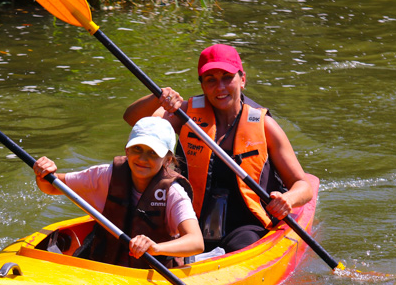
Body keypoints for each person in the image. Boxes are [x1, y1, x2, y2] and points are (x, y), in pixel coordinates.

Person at [123, 43, 313, 253]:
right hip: (189, 222)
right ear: (202, 85)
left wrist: (288, 199)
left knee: (242, 245)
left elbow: (302, 185)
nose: (220, 87)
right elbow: (134, 120)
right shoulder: (185, 115)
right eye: (210, 80)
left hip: (246, 225)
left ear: (242, 79)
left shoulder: (264, 125)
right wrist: (157, 97)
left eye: (227, 77)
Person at [33, 117, 204, 268]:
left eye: (152, 153)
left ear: (167, 160)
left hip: (150, 274)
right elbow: (51, 186)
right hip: (106, 267)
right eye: (137, 149)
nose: (143, 159)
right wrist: (44, 174)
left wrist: (156, 248)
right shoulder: (106, 175)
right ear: (126, 150)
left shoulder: (173, 193)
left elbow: (196, 242)